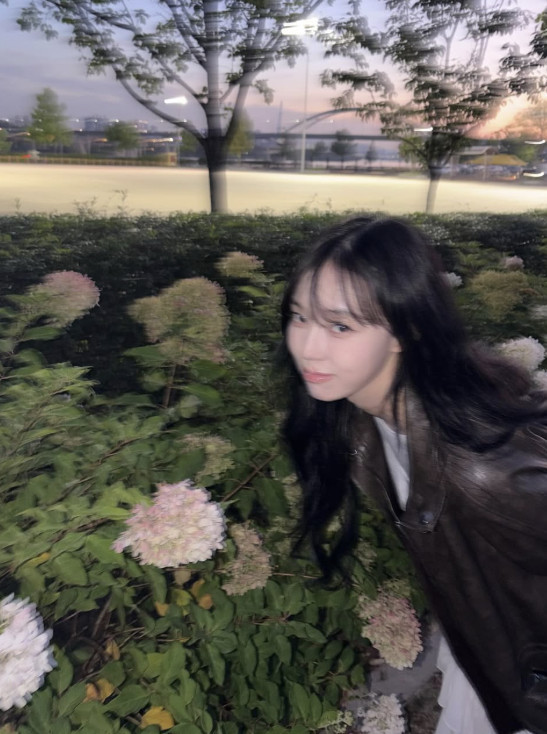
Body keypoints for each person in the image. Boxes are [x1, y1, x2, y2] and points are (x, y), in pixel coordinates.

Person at [279, 216, 547, 734]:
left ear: (407, 330)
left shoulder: (479, 471)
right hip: (483, 648)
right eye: (299, 316)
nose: (308, 347)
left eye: (340, 326)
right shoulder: (364, 419)